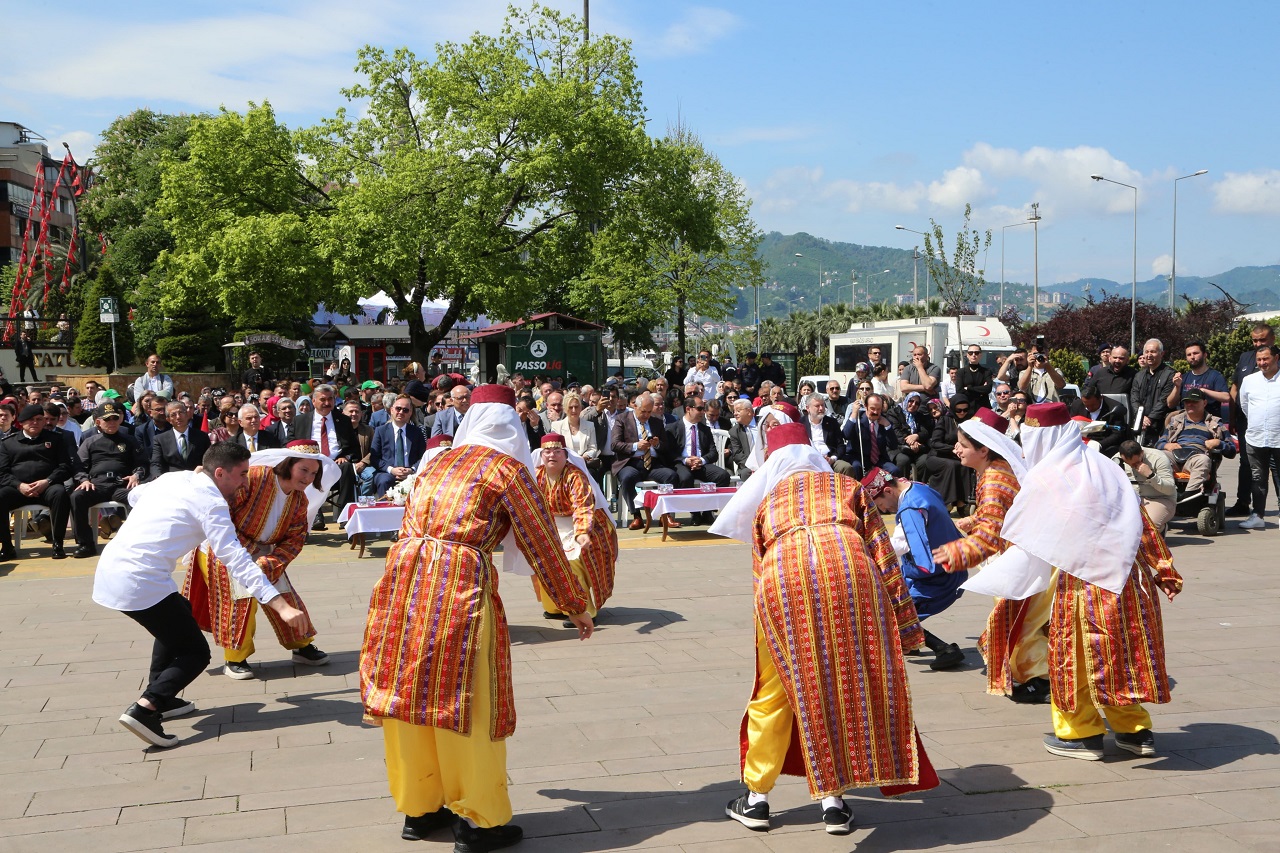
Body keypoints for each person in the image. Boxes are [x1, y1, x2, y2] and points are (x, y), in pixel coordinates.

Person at [359, 384, 593, 849]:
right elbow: (542, 540)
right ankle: (480, 819)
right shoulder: (508, 470)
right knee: (466, 696)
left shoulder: (438, 461)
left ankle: (420, 809)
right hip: (457, 581)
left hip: (402, 578)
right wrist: (574, 603)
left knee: (410, 693)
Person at [712, 422, 937, 836]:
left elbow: (760, 572)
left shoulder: (767, 502)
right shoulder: (845, 486)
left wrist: (768, 636)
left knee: (777, 689)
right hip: (851, 577)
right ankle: (833, 803)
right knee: (844, 684)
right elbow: (882, 555)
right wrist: (906, 628)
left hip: (786, 586)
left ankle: (757, 799)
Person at [967, 402, 1182, 761]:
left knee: (1075, 658)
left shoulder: (1050, 476)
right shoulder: (1103, 466)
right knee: (1121, 657)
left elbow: (1024, 536)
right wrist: (1163, 569)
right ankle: (1135, 731)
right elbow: (1138, 519)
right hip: (1129, 582)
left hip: (1082, 585)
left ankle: (1079, 734)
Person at [92, 443, 309, 747]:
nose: (246, 482)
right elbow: (235, 558)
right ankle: (147, 708)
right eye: (242, 474)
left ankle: (163, 698)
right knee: (195, 653)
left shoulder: (174, 479)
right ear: (219, 472)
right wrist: (279, 604)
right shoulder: (212, 503)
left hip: (111, 571)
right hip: (141, 581)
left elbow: (134, 495)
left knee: (179, 611)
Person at [183, 440, 340, 679]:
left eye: (314, 473)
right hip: (223, 548)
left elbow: (294, 539)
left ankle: (301, 645)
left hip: (264, 554)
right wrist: (250, 551)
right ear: (288, 465)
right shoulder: (255, 477)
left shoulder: (299, 500)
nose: (308, 478)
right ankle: (235, 658)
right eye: (304, 470)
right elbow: (223, 512)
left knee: (285, 594)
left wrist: (273, 562)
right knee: (240, 599)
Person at [931, 409, 1047, 703]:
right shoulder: (998, 468)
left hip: (1022, 561)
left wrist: (954, 553)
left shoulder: (993, 478)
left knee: (1019, 624)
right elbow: (998, 514)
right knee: (1018, 622)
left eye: (963, 445)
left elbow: (991, 535)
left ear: (983, 450)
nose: (955, 448)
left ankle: (1039, 679)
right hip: (1026, 557)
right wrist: (969, 523)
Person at [861, 467, 966, 671]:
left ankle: (944, 649)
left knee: (895, 614)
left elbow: (905, 545)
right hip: (947, 567)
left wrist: (867, 551)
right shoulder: (919, 488)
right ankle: (911, 642)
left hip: (937, 577)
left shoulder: (909, 508)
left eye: (881, 504)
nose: (884, 510)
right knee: (894, 609)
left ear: (888, 491)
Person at [532, 433, 617, 625]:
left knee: (573, 561)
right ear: (541, 454)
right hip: (553, 525)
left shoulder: (575, 476)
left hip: (587, 525)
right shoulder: (536, 474)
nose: (552, 455)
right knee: (541, 558)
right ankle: (555, 606)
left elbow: (583, 505)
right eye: (547, 452)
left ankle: (583, 609)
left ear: (565, 454)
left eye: (556, 451)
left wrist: (582, 532)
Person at [69, 401, 147, 559]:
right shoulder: (90, 442)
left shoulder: (130, 440)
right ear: (98, 422)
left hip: (121, 485)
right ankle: (86, 544)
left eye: (114, 418)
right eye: (107, 419)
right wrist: (84, 480)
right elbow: (79, 466)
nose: (111, 422)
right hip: (97, 486)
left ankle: (136, 543)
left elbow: (142, 463)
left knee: (140, 497)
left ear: (119, 419)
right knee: (77, 497)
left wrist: (136, 475)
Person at [0, 404, 73, 559]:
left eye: (39, 419)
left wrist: (47, 481)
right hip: (18, 488)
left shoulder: (55, 440)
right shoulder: (8, 443)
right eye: (31, 420)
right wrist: (19, 485)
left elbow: (65, 467)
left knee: (60, 494)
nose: (35, 422)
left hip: (47, 486)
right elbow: (2, 473)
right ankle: (7, 547)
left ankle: (58, 544)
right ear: (21, 422)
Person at [291, 384, 359, 528]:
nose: (327, 403)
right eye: (323, 399)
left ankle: (344, 515)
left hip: (336, 465)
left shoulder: (343, 421)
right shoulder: (300, 421)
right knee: (305, 469)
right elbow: (289, 443)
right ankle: (315, 515)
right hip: (310, 464)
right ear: (313, 401)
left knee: (347, 468)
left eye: (330, 399)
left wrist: (345, 457)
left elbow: (354, 447)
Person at [610, 391, 678, 530]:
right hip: (631, 462)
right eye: (643, 411)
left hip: (653, 463)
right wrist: (636, 446)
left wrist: (657, 444)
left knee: (671, 476)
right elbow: (615, 444)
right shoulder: (622, 419)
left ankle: (665, 515)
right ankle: (636, 516)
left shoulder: (656, 422)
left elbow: (666, 447)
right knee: (628, 478)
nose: (646, 415)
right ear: (635, 406)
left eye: (649, 412)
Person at [1229, 324, 1277, 517]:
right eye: (1255, 340)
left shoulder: (1275, 358)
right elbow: (1235, 388)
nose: (1258, 344)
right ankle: (1243, 503)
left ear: (1273, 339)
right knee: (1247, 465)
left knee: (1275, 467)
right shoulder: (1245, 358)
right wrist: (1232, 417)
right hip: (1247, 422)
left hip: (1275, 425)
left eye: (1262, 340)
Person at [664, 395, 731, 523]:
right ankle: (694, 513)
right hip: (682, 463)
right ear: (688, 409)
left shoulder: (704, 429)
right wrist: (685, 460)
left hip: (701, 464)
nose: (703, 412)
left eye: (704, 409)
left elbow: (713, 453)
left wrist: (702, 460)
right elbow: (669, 453)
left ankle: (707, 511)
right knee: (685, 478)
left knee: (723, 476)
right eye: (700, 408)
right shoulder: (673, 428)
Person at [1158, 387, 1233, 496]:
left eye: (1194, 402)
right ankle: (1164, 493)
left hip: (1197, 457)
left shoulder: (1215, 423)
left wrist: (1218, 443)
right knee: (1158, 457)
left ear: (1204, 403)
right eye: (1187, 402)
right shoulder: (1175, 421)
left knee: (1203, 460)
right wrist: (1166, 445)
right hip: (1174, 455)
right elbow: (1158, 444)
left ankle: (1189, 495)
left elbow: (1231, 451)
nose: (1190, 404)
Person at [1239, 343, 1280, 531]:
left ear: (1276, 358)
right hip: (1255, 437)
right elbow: (1245, 405)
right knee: (1258, 478)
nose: (1262, 363)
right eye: (1259, 360)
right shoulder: (1249, 380)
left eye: (1266, 359)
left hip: (1278, 437)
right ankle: (1258, 515)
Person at [370, 395, 427, 498]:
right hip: (387, 472)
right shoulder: (380, 431)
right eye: (398, 408)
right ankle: (384, 510)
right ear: (392, 410)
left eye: (405, 410)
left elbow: (423, 456)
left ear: (410, 413)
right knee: (384, 481)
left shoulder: (416, 432)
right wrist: (391, 469)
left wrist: (412, 469)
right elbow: (374, 458)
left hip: (411, 472)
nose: (401, 412)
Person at [1116, 439, 1177, 533]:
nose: (1133, 467)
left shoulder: (1158, 458)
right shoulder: (1116, 460)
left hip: (1160, 499)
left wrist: (1151, 475)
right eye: (1128, 464)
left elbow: (1170, 489)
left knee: (1146, 526)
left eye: (1136, 463)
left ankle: (1160, 531)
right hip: (1132, 499)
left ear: (1142, 453)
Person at [1130, 339, 1176, 446]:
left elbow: (1164, 400)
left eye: (1153, 352)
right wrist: (1141, 417)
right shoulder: (1139, 376)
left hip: (1161, 426)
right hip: (1140, 424)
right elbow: (1134, 398)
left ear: (1162, 354)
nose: (1149, 355)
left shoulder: (1170, 374)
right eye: (1146, 352)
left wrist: (1150, 418)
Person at [1167, 340, 1228, 419]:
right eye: (1189, 355)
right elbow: (1170, 404)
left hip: (1209, 423)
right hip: (1186, 424)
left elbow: (1226, 397)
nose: (1192, 357)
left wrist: (1204, 391)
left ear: (1205, 355)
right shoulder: (1184, 377)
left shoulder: (1215, 376)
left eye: (1196, 353)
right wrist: (1177, 387)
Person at [1068, 381, 1131, 457]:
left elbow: (1117, 434)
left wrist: (1099, 445)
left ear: (1101, 398)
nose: (1090, 408)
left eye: (1093, 405)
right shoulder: (1077, 405)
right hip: (1083, 443)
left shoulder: (1114, 407)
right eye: (1086, 405)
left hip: (1106, 445)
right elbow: (1071, 427)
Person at [151, 401, 210, 480]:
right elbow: (156, 463)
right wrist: (158, 479)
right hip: (172, 481)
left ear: (187, 415)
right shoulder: (160, 439)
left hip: (197, 479)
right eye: (173, 415)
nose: (178, 417)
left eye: (181, 412)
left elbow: (209, 460)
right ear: (168, 419)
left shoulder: (202, 436)